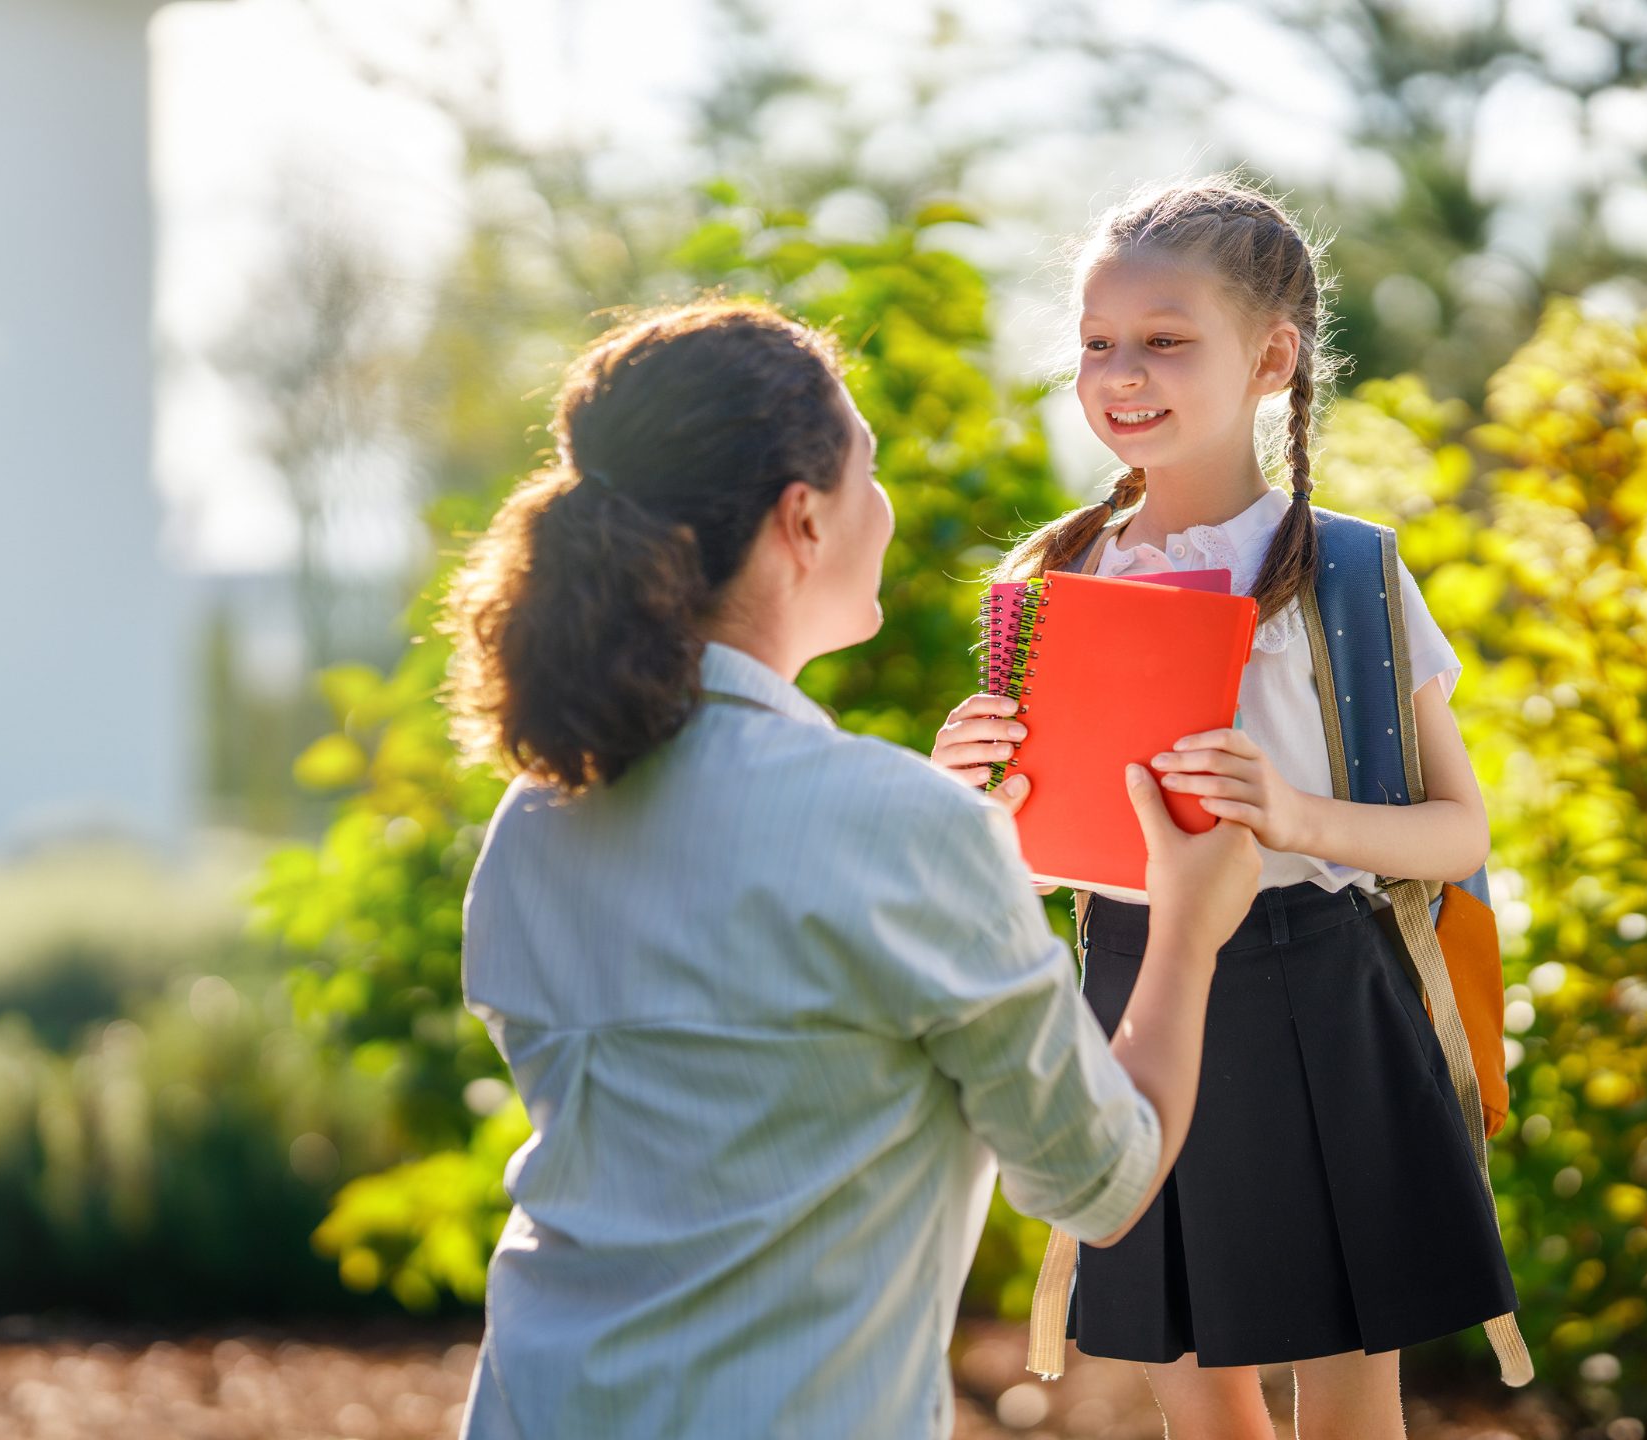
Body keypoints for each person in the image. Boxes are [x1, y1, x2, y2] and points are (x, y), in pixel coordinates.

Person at [439, 299, 1262, 1439]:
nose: (884, 506)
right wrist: (1188, 928)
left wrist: (953, 858)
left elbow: (737, 1063)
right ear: (802, 521)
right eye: (866, 473)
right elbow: (1101, 1180)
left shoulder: (536, 817)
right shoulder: (894, 829)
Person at [928, 174, 1517, 1440]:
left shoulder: (1344, 572)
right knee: (1196, 1403)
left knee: (1353, 1390)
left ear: (1271, 357)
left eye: (1163, 339)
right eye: (1097, 344)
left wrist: (1298, 816)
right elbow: (1020, 856)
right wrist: (964, 789)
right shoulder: (1055, 577)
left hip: (1325, 986)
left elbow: (1458, 832)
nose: (1121, 372)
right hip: (1134, 988)